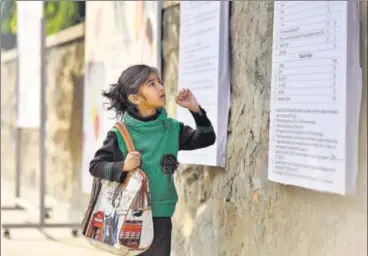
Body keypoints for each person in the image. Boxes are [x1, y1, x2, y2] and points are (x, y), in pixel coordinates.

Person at [89, 64, 216, 256]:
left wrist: (195, 109)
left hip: (161, 216)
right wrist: (123, 166)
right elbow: (96, 166)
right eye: (152, 84)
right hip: (129, 217)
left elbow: (207, 138)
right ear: (135, 98)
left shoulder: (172, 129)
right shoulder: (120, 134)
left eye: (159, 82)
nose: (161, 88)